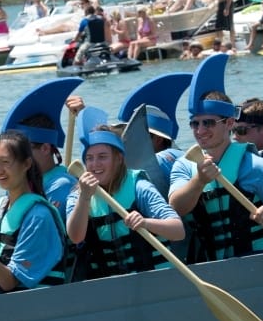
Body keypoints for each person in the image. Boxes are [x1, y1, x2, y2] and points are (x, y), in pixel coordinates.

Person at [168, 54, 263, 262]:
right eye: (195, 124)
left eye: (208, 123)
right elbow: (176, 208)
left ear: (229, 123)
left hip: (259, 261)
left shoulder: (257, 167)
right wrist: (199, 181)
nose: (200, 130)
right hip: (209, 267)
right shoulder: (184, 166)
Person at [66, 109, 184, 280]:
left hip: (154, 279)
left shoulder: (139, 186)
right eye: (89, 158)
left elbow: (178, 230)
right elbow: (76, 236)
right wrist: (84, 197)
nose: (95, 164)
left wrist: (145, 223)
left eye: (102, 156)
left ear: (119, 158)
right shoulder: (78, 196)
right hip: (109, 286)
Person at [0, 131, 68, 295]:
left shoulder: (38, 216)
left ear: (27, 164)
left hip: (23, 308)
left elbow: (9, 283)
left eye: (6, 162)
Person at [2, 78, 84, 221]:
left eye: (23, 151)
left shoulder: (61, 185)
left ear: (45, 148)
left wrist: (83, 114)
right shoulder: (22, 182)